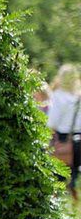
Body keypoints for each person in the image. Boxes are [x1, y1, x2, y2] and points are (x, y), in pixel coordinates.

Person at [47, 64, 81, 197]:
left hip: (64, 139)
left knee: (59, 176)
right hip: (79, 138)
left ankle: (58, 208)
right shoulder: (78, 96)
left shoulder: (58, 96)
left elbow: (52, 122)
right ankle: (75, 204)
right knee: (75, 176)